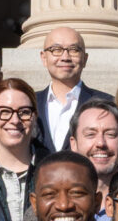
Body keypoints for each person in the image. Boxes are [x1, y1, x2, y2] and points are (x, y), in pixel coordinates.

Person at [33, 26, 110, 156]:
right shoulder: (29, 104)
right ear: (43, 58)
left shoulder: (107, 104)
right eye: (56, 50)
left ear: (85, 59)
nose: (65, 57)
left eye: (74, 50)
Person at [0, 75, 40, 221]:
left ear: (34, 117)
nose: (15, 120)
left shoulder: (52, 170)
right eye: (5, 111)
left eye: (24, 112)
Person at [70, 99, 118, 185]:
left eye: (110, 134)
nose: (101, 143)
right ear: (74, 144)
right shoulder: (58, 196)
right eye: (90, 134)